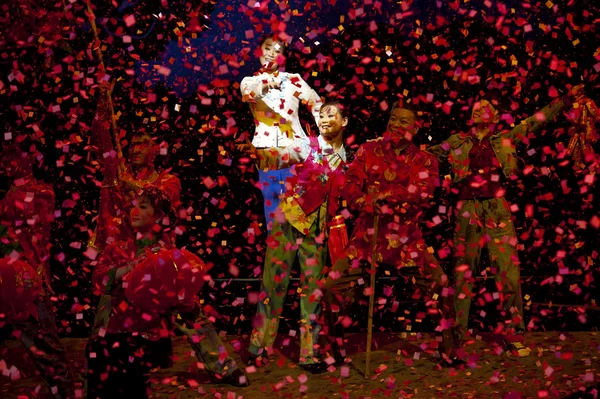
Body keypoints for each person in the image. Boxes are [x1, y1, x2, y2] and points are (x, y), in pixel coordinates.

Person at [428, 85, 585, 356]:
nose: (480, 110)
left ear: (496, 115)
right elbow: (423, 154)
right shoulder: (457, 142)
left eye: (486, 107)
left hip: (497, 209)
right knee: (462, 275)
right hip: (467, 209)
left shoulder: (505, 138)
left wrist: (567, 99)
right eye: (477, 107)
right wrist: (381, 147)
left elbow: (538, 120)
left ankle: (514, 336)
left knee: (508, 274)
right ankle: (457, 338)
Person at [321, 102, 457, 366]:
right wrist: (363, 202)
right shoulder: (368, 150)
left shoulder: (426, 160)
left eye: (403, 122)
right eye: (393, 119)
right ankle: (335, 351)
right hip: (366, 240)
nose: (396, 125)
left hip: (407, 242)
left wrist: (383, 197)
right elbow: (349, 184)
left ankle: (450, 353)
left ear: (416, 128)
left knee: (442, 286)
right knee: (330, 287)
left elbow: (422, 193)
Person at [87, 188, 248, 398]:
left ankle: (223, 366)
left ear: (158, 216)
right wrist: (129, 269)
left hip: (144, 333)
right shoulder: (117, 247)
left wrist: (188, 304)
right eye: (133, 206)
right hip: (114, 331)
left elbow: (176, 289)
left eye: (142, 206)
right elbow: (100, 280)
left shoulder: (163, 249)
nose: (134, 211)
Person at [239, 101, 351, 373]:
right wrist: (258, 153)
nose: (325, 119)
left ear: (344, 122)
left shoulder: (348, 160)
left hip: (317, 230)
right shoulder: (307, 145)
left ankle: (309, 355)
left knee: (312, 292)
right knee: (272, 286)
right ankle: (258, 348)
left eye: (331, 115)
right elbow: (281, 155)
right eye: (321, 115)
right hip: (287, 221)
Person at [0, 137, 76, 398]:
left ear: (30, 157)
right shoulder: (10, 195)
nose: (6, 162)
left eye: (13, 154)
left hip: (29, 282)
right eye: (4, 156)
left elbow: (25, 223)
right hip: (8, 280)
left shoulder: (41, 192)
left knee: (46, 350)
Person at [240, 34, 323, 231]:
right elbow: (249, 93)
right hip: (267, 156)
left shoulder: (294, 80)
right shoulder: (249, 81)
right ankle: (277, 257)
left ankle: (305, 257)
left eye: (278, 51)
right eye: (268, 48)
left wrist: (324, 136)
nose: (271, 54)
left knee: (302, 216)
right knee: (275, 217)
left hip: (297, 155)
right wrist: (267, 84)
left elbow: (316, 104)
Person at [89, 85, 181, 251]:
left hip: (156, 255)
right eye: (133, 145)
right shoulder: (120, 176)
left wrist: (133, 186)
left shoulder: (169, 181)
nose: (136, 149)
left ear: (154, 151)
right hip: (122, 256)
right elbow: (100, 142)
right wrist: (102, 104)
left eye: (143, 144)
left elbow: (163, 199)